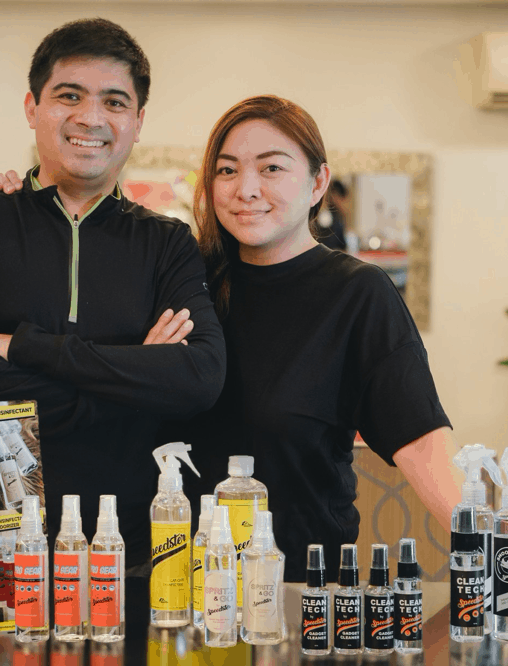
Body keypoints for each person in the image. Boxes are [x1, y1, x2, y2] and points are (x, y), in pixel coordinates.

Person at [1, 95, 463, 582]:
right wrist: (23, 209)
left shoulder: (357, 294)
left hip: (293, 587)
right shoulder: (180, 278)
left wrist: (496, 570)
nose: (246, 189)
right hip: (163, 585)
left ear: (318, 183)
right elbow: (77, 378)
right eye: (226, 170)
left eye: (271, 168)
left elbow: (421, 443)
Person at [0, 18, 226, 572]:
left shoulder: (167, 242)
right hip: (6, 552)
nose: (91, 117)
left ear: (138, 121)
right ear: (32, 107)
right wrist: (138, 378)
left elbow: (199, 377)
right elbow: (165, 384)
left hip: (132, 555)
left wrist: (21, 348)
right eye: (69, 95)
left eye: (115, 101)